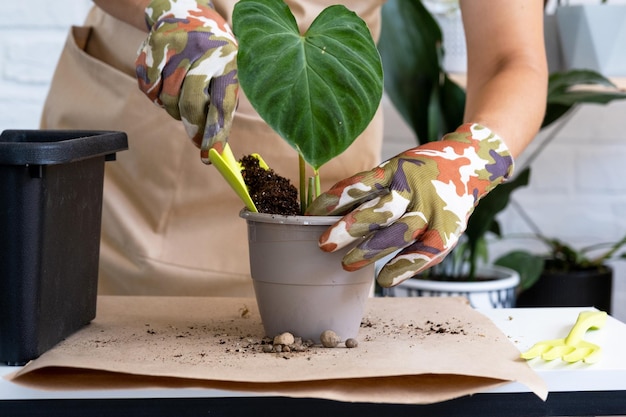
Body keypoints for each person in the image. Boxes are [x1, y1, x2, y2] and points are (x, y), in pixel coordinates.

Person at [40, 0, 547, 296]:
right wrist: (164, 5)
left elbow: (513, 56)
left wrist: (468, 159)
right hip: (143, 139)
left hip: (326, 162)